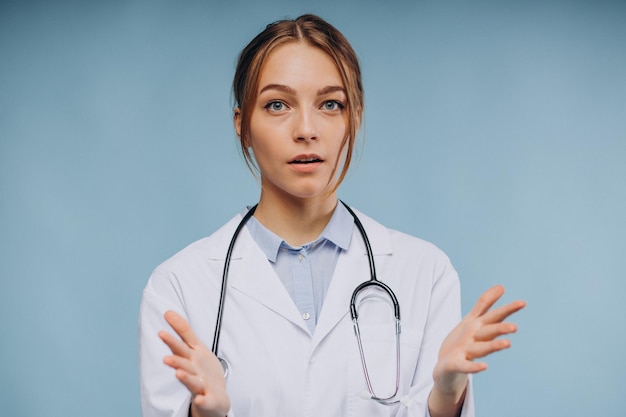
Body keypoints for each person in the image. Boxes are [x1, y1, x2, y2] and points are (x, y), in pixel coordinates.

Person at [139, 14, 525, 417]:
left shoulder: (425, 273)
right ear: (243, 126)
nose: (306, 129)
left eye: (330, 104)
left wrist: (445, 396)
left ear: (353, 117)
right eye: (277, 104)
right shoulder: (179, 287)